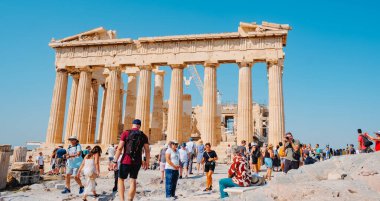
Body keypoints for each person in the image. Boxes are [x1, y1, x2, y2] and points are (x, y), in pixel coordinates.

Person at [111, 119, 150, 201]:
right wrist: (147, 162)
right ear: (140, 126)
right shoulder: (143, 136)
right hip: (137, 161)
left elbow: (120, 148)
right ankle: (130, 199)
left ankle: (122, 199)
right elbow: (147, 150)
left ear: (133, 125)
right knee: (133, 180)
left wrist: (114, 161)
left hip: (126, 160)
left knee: (121, 179)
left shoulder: (126, 133)